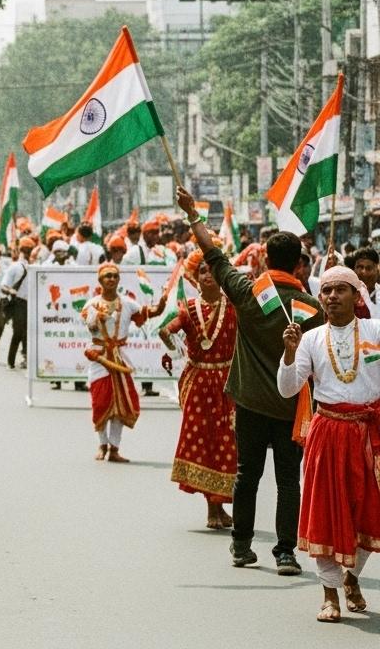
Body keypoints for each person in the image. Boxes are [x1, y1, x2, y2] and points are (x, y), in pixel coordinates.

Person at [177, 186, 320, 576]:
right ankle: (286, 553)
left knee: (247, 475)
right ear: (298, 266)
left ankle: (241, 546)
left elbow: (214, 255)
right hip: (293, 409)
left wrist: (193, 214)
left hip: (250, 404)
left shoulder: (247, 291)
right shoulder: (314, 308)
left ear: (266, 259)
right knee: (289, 482)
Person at [278, 266, 380, 622]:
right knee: (325, 512)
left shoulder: (375, 331)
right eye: (327, 291)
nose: (332, 296)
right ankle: (329, 594)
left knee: (367, 512)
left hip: (369, 435)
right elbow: (288, 388)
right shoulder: (309, 338)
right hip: (328, 432)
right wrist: (289, 354)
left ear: (357, 295)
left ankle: (351, 577)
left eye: (341, 290)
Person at [159, 248, 238, 530]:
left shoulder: (233, 306)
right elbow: (165, 330)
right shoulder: (188, 308)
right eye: (202, 270)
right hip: (199, 382)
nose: (208, 275)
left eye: (213, 270)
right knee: (203, 441)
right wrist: (173, 348)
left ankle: (219, 505)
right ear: (195, 276)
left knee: (226, 441)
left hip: (228, 383)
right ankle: (213, 508)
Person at [80, 262, 168, 462]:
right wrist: (98, 317)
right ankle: (102, 445)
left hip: (120, 359)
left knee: (121, 407)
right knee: (100, 403)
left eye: (114, 276)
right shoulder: (91, 304)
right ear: (100, 280)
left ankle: (114, 448)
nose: (111, 279)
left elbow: (148, 313)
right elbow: (90, 326)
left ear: (118, 280)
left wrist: (162, 304)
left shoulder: (128, 303)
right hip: (99, 359)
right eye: (107, 276)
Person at [2, 238, 33, 371]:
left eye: (30, 250)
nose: (28, 252)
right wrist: (11, 290)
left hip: (31, 303)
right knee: (18, 332)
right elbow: (3, 286)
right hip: (18, 303)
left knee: (29, 332)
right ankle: (11, 360)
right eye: (26, 250)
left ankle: (26, 358)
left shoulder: (34, 266)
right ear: (22, 250)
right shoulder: (14, 267)